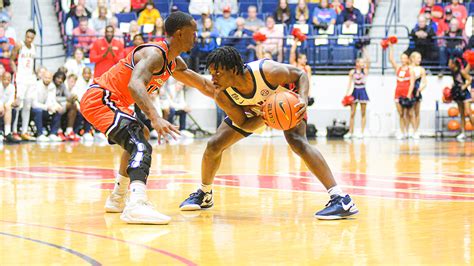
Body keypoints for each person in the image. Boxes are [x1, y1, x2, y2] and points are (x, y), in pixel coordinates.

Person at [179, 46, 359, 220]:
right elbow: (243, 123)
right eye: (211, 73)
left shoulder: (267, 71)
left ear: (233, 69)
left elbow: (300, 75)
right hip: (258, 112)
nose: (213, 78)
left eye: (217, 72)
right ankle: (205, 193)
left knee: (297, 141)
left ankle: (340, 199)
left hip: (288, 101)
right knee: (214, 145)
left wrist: (303, 98)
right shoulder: (222, 94)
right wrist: (266, 115)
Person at [80, 11, 217, 224]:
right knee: (140, 141)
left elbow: (205, 85)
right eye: (194, 33)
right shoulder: (155, 54)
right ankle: (136, 204)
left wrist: (243, 97)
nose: (196, 37)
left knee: (140, 134)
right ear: (180, 34)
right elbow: (134, 84)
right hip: (100, 97)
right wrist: (155, 117)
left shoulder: (172, 62)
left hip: (112, 102)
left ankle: (117, 198)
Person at [10, 28, 37, 141]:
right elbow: (11, 59)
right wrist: (16, 72)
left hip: (30, 78)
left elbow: (33, 62)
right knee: (18, 104)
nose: (29, 39)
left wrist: (34, 73)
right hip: (21, 77)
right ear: (25, 36)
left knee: (27, 105)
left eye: (31, 38)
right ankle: (14, 131)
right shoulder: (19, 45)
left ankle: (24, 131)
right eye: (27, 37)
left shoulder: (34, 47)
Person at [388, 42, 415, 140]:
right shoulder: (398, 68)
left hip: (407, 93)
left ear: (408, 59)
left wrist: (408, 94)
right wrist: (391, 47)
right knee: (401, 113)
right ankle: (402, 131)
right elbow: (391, 60)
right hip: (398, 93)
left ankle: (409, 131)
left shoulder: (410, 70)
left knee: (409, 113)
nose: (403, 60)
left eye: (404, 58)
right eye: (401, 58)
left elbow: (412, 83)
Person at [344, 51, 370, 139]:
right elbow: (349, 84)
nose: (362, 64)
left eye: (363, 62)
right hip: (355, 91)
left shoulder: (365, 71)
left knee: (363, 113)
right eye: (360, 62)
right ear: (357, 63)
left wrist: (365, 52)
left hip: (362, 91)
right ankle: (351, 132)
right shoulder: (352, 72)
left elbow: (369, 61)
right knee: (352, 113)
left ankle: (362, 132)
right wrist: (346, 94)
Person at [448, 56, 473, 141]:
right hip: (458, 93)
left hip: (465, 93)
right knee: (461, 114)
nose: (448, 64)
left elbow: (470, 79)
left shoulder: (461, 71)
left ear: (454, 64)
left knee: (468, 113)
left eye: (450, 62)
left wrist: (464, 86)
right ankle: (463, 132)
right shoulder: (452, 72)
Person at [31, 71, 61, 142]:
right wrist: (47, 107)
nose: (47, 80)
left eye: (49, 78)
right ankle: (39, 134)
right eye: (46, 78)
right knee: (38, 110)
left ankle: (53, 134)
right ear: (42, 77)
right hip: (34, 109)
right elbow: (34, 104)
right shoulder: (36, 85)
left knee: (59, 110)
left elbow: (52, 100)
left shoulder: (52, 86)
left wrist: (57, 106)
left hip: (46, 108)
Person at [409, 52, 427, 140]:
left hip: (416, 90)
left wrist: (420, 89)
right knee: (410, 112)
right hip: (409, 90)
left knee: (417, 112)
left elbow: (424, 82)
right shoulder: (409, 68)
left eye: (420, 58)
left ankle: (416, 130)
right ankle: (412, 129)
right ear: (412, 58)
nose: (419, 60)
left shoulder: (421, 69)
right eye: (417, 58)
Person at [0, 72, 20, 143]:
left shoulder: (12, 87)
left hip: (6, 107)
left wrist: (6, 105)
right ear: (1, 79)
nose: (6, 81)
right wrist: (1, 105)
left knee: (10, 108)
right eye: (5, 79)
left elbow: (11, 100)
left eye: (8, 80)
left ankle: (7, 133)